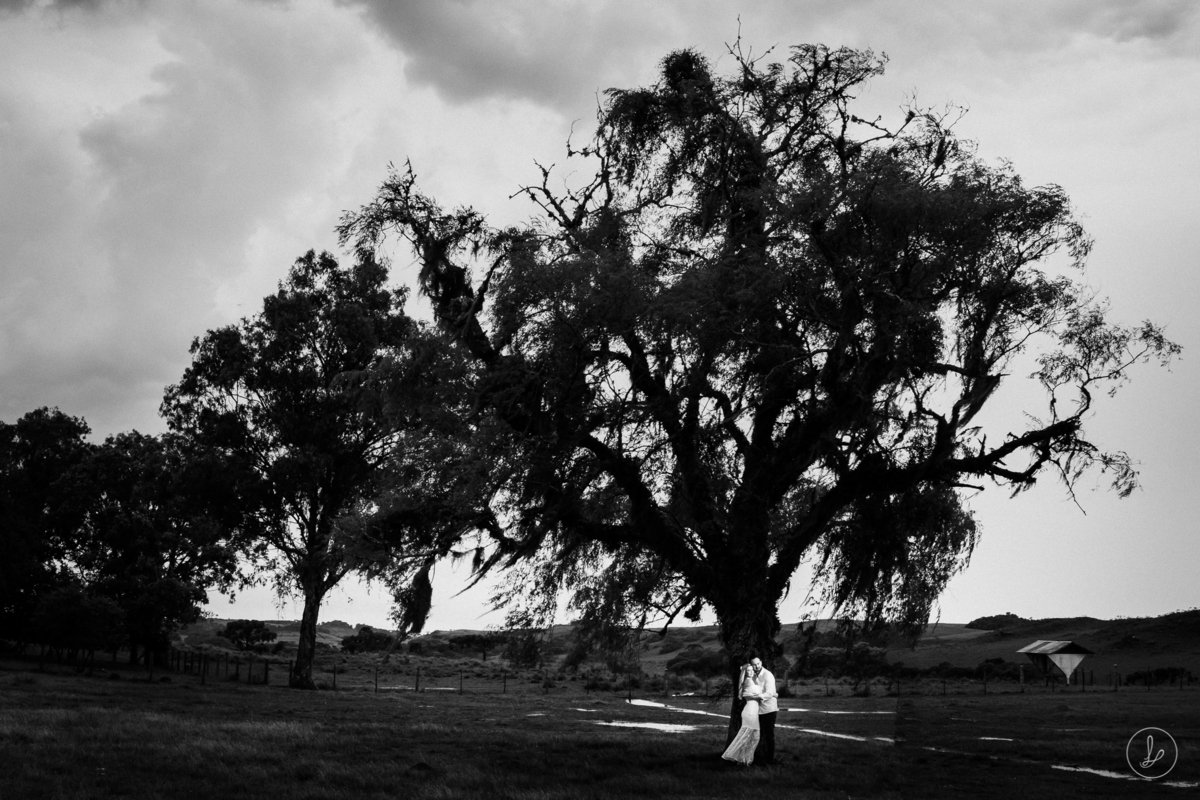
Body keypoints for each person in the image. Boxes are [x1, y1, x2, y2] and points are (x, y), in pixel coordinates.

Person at [721, 660, 762, 766]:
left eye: (752, 670)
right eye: (748, 671)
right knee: (752, 736)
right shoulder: (748, 681)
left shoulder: (752, 681)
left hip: (752, 710)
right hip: (750, 711)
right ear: (745, 672)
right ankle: (742, 759)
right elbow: (755, 696)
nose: (751, 672)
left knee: (749, 736)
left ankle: (743, 760)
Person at [750, 656, 778, 765]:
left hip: (768, 709)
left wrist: (756, 697)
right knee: (756, 733)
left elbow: (770, 693)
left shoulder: (768, 675)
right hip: (757, 709)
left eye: (758, 663)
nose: (756, 666)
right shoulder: (752, 675)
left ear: (761, 662)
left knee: (769, 735)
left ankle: (770, 759)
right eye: (754, 664)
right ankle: (755, 757)